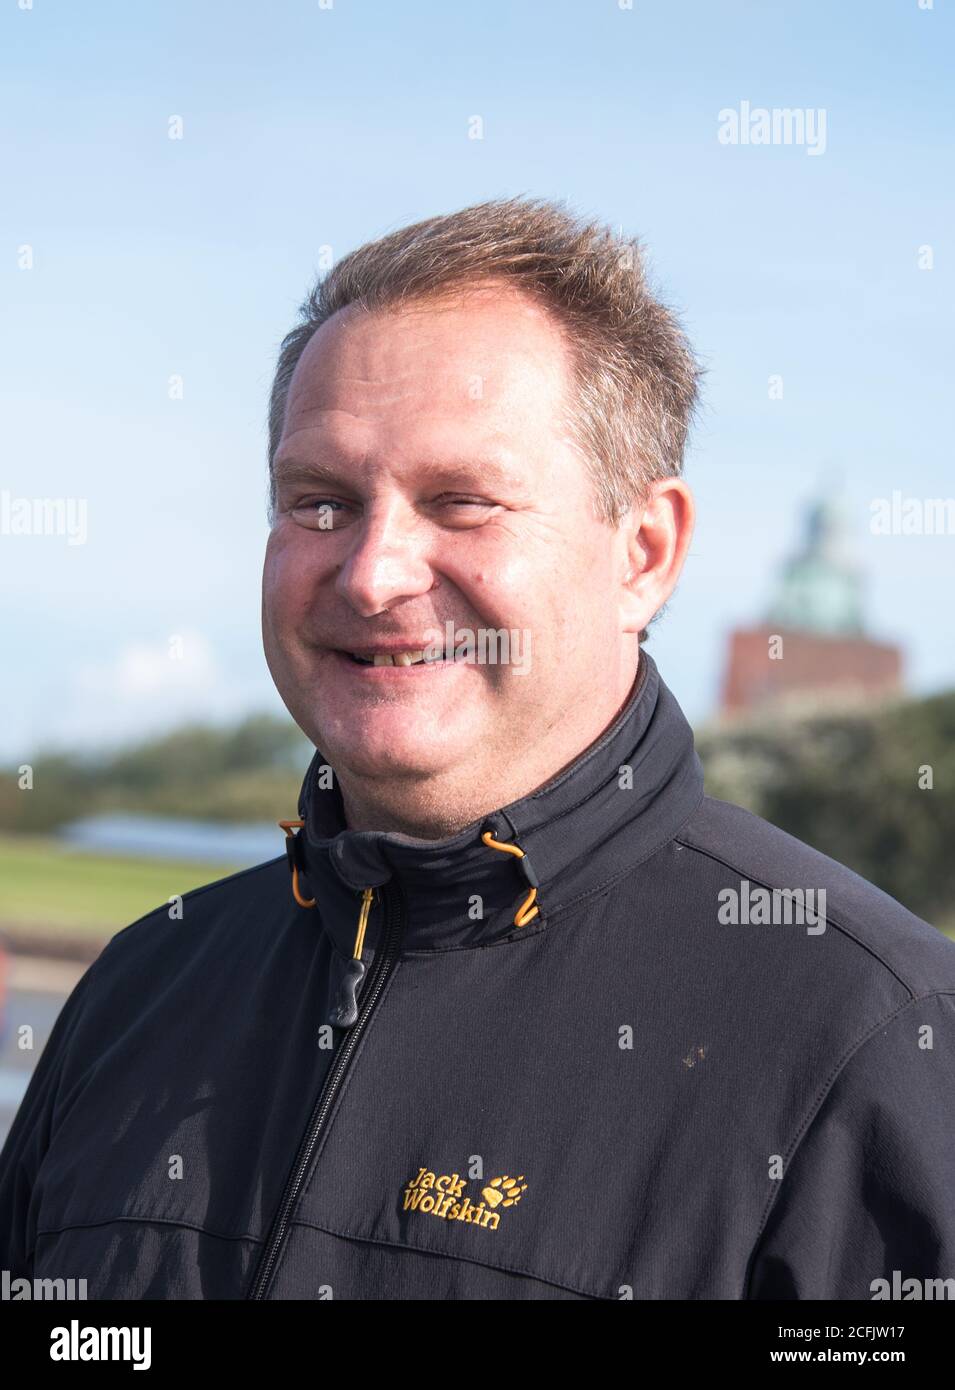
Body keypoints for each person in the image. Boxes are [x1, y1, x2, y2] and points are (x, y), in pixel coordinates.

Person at [2, 196, 953, 1301]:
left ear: (643, 552)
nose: (370, 572)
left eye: (461, 502)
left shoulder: (871, 1043)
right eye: (320, 503)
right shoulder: (143, 987)